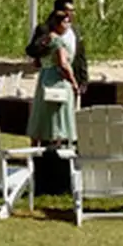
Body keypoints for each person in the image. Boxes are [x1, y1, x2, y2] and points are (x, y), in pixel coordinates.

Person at [26, 9, 79, 149]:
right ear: (58, 23)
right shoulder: (58, 41)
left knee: (41, 114)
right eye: (66, 22)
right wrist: (74, 82)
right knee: (58, 116)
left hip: (44, 78)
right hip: (57, 80)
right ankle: (58, 144)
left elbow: (36, 62)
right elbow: (63, 63)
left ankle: (36, 146)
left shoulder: (44, 40)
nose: (69, 25)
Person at [27, 0, 88, 94]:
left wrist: (83, 80)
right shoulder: (45, 29)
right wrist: (47, 42)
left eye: (73, 11)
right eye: (68, 11)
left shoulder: (76, 31)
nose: (71, 15)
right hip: (52, 78)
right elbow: (31, 50)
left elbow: (81, 57)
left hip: (72, 77)